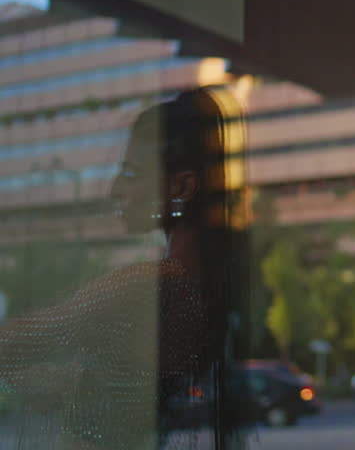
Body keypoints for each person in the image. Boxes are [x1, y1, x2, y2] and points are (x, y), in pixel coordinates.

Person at [0, 87, 245, 448]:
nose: (114, 190)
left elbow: (14, 343)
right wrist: (78, 383)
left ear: (182, 186)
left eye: (130, 174)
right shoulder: (203, 284)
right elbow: (142, 389)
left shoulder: (149, 287)